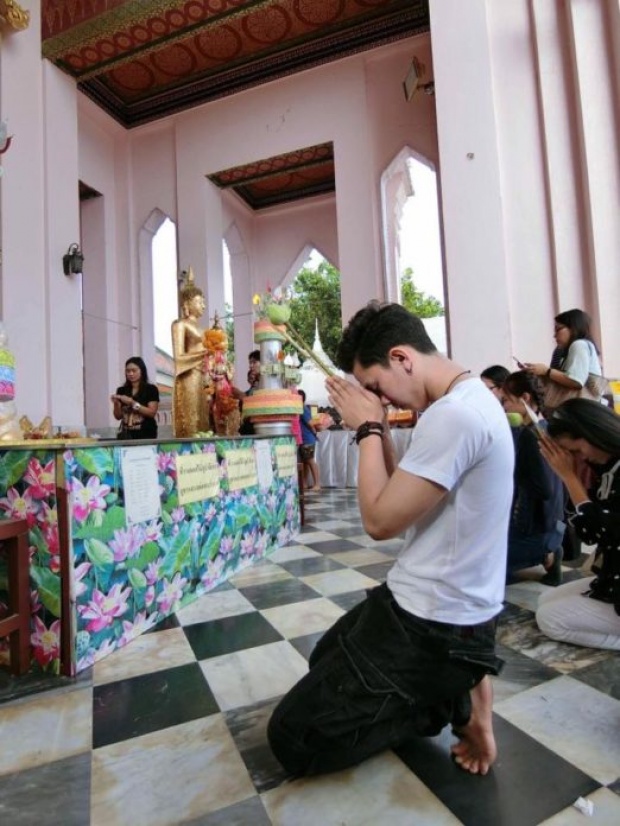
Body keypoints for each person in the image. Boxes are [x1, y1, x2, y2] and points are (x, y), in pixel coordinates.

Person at [267, 301, 514, 777]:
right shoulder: (462, 401)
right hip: (421, 602)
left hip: (434, 624)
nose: (384, 399)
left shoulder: (455, 416)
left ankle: (452, 702)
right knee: (323, 658)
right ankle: (457, 680)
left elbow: (380, 523)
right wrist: (375, 424)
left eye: (378, 386)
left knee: (294, 739)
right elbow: (403, 491)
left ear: (402, 358)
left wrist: (368, 428)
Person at [536, 399, 620, 650]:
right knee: (546, 600)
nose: (577, 458)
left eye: (575, 450)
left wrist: (568, 476)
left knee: (550, 620)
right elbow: (587, 530)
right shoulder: (607, 466)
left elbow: (599, 530)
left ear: (592, 432)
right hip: (613, 576)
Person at [501, 371, 565, 584]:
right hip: (553, 527)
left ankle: (546, 555)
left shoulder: (529, 437)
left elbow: (542, 489)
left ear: (525, 398)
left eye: (507, 401)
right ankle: (549, 550)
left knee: (478, 566)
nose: (505, 408)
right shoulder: (547, 428)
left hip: (534, 532)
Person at [524, 309, 605, 413]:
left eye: (558, 329)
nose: (554, 335)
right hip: (585, 407)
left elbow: (576, 381)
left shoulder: (578, 345)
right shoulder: (568, 349)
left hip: (585, 408)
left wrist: (546, 371)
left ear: (573, 328)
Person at [171, 270, 210, 438]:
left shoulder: (202, 329)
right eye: (199, 301)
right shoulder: (180, 325)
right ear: (187, 303)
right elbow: (178, 357)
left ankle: (204, 455)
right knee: (191, 419)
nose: (203, 305)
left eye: (203, 302)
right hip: (188, 376)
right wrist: (204, 354)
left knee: (204, 418)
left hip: (202, 376)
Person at [111, 356, 160, 439]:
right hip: (126, 434)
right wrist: (116, 403)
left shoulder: (151, 389)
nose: (130, 373)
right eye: (128, 371)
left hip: (146, 434)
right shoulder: (121, 390)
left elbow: (152, 413)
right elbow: (118, 416)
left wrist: (132, 403)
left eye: (134, 370)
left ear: (142, 371)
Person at [298, 389, 320, 491]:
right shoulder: (301, 408)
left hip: (308, 439)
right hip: (304, 439)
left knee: (310, 461)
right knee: (305, 461)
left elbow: (311, 423)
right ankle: (305, 483)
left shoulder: (302, 408)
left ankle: (317, 484)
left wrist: (314, 430)